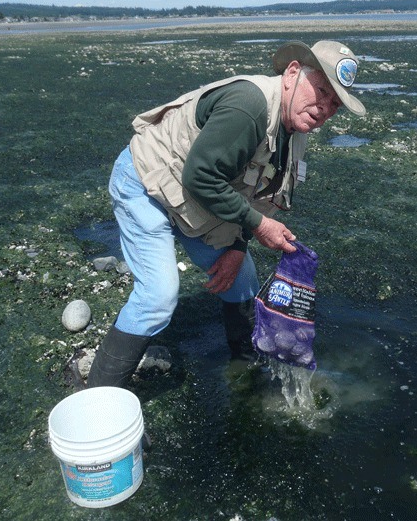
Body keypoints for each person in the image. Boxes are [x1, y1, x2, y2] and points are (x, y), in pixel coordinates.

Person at [87, 40, 366, 388]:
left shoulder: (295, 133)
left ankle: (245, 370)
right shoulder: (249, 106)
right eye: (321, 90)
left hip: (195, 199)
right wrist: (260, 226)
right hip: (146, 181)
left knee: (242, 279)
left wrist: (238, 247)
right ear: (292, 73)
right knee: (158, 297)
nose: (324, 108)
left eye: (334, 104)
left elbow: (263, 197)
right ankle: (96, 395)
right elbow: (200, 176)